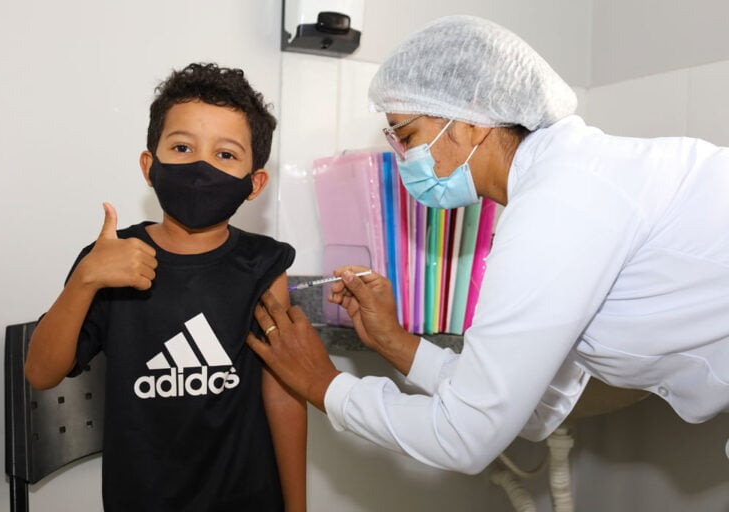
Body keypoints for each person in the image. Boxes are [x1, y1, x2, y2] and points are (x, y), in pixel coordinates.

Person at [246, 14, 729, 474]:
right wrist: (397, 343)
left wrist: (322, 384)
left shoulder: (562, 206)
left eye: (408, 135)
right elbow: (537, 409)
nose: (405, 158)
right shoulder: (562, 185)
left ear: (471, 119)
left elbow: (463, 437)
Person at [25, 63, 307, 511]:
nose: (200, 167)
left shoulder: (264, 264)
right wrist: (85, 280)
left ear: (255, 184)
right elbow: (41, 373)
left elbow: (286, 394)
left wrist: (297, 508)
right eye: (181, 147)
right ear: (149, 165)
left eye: (226, 155)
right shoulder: (109, 260)